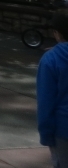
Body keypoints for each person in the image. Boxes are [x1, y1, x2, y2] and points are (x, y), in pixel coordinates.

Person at [37, 10, 68, 166]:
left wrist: (46, 135)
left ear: (57, 33)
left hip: (63, 130)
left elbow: (46, 102)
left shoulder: (50, 60)